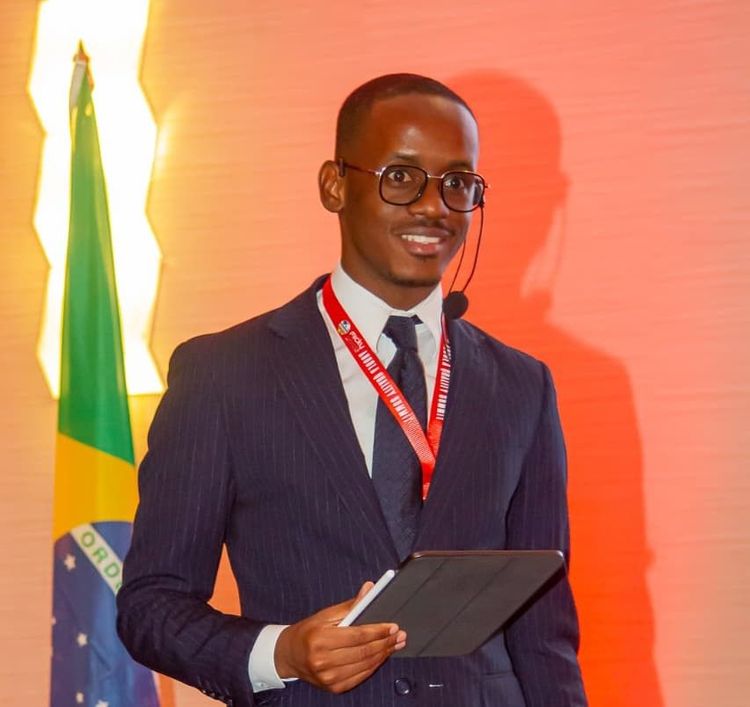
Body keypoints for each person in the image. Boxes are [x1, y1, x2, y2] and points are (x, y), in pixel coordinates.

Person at [117, 73, 587, 706]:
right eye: (401, 176)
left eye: (457, 183)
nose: (433, 206)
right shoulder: (224, 374)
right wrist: (280, 652)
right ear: (334, 185)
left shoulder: (522, 386)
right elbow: (152, 606)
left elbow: (544, 634)